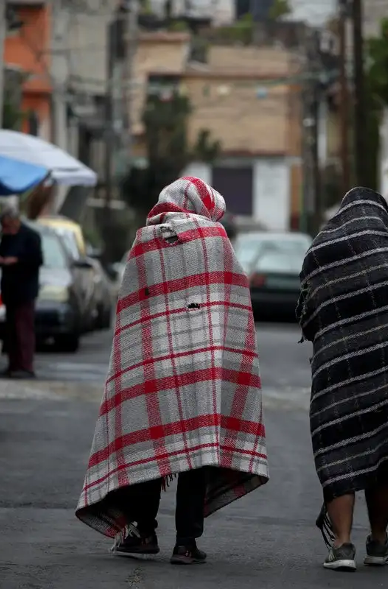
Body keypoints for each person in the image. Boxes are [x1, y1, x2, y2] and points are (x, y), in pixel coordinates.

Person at [76, 177, 269, 565]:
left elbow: (130, 309)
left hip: (151, 359)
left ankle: (144, 533)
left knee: (150, 444)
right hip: (202, 361)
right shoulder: (216, 240)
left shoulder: (145, 240)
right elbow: (231, 299)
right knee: (197, 451)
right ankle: (186, 543)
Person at [296, 187, 388, 572]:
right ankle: (379, 542)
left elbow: (308, 315)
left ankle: (342, 545)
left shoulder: (321, 253)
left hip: (338, 374)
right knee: (382, 455)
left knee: (339, 451)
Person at [0, 206, 43, 379]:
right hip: (9, 290)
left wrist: (17, 260)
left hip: (25, 290)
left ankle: (26, 365)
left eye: (8, 224)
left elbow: (37, 259)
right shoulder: (6, 237)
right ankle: (13, 364)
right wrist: (0, 260)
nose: (6, 228)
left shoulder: (31, 236)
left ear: (15, 220)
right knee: (11, 331)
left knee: (24, 329)